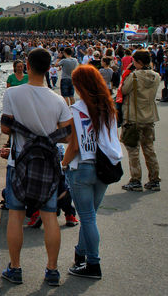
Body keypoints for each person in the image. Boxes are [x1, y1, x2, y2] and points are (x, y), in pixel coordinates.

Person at [0, 48, 73, 286]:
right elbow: (67, 133)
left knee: (16, 215)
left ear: (27, 66)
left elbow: (5, 128)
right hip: (48, 166)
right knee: (50, 216)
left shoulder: (12, 93)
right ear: (48, 68)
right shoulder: (58, 99)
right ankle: (52, 270)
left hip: (19, 162)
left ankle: (15, 268)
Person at [60, 65, 122, 280]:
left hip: (83, 168)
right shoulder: (109, 108)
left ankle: (93, 264)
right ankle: (81, 254)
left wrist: (63, 163)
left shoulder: (77, 109)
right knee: (91, 217)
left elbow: (74, 145)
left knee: (87, 217)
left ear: (80, 86)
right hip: (104, 167)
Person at [120, 49, 162, 192]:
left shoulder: (134, 76)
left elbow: (124, 90)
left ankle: (136, 179)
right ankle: (154, 179)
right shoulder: (156, 76)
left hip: (134, 116)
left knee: (133, 150)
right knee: (149, 148)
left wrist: (127, 73)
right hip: (149, 116)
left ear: (138, 62)